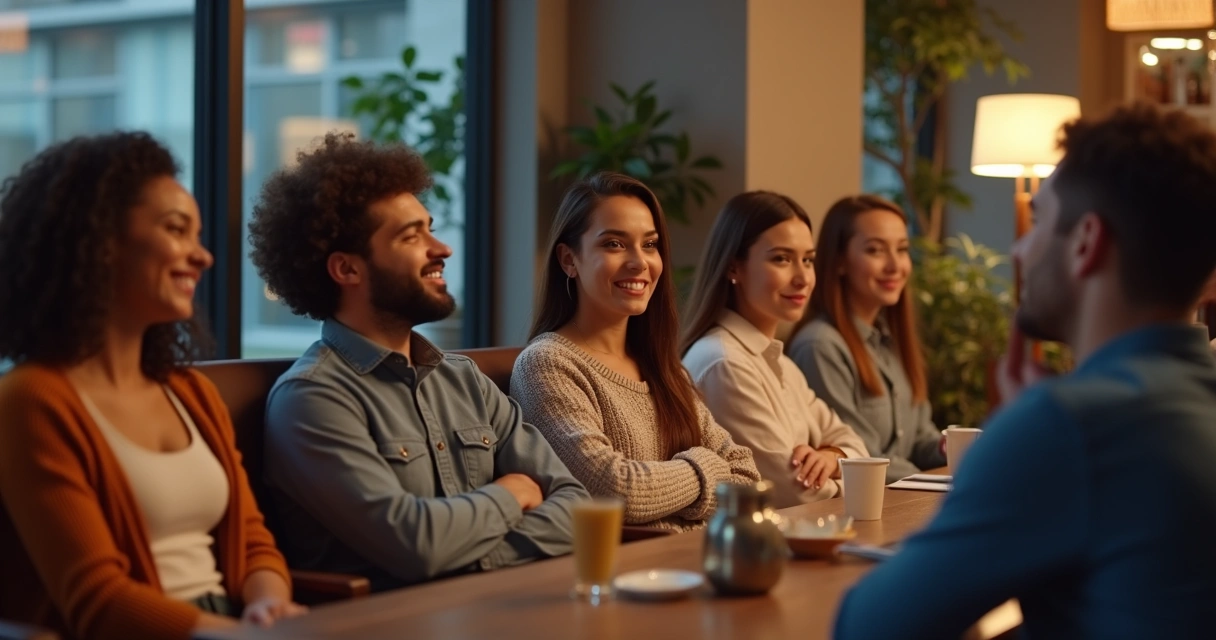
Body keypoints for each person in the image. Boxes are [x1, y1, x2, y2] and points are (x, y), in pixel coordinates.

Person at [834, 103, 1216, 639]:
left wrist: (1026, 435)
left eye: (1037, 221)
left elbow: (868, 626)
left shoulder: (1070, 427)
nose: (1019, 247)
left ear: (1086, 243)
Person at [249, 133, 586, 592]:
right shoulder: (311, 398)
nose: (441, 248)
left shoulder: (463, 380)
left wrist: (468, 557)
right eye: (412, 236)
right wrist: (511, 494)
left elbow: (575, 505)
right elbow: (416, 546)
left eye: (429, 227)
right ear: (347, 269)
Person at [0, 132, 305, 640]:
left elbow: (252, 541)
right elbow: (98, 600)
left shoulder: (190, 392)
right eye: (176, 230)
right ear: (98, 243)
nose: (202, 256)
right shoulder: (33, 400)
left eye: (198, 234)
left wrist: (269, 607)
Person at [511, 172, 759, 532]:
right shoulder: (548, 364)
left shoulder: (663, 369)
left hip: (694, 568)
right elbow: (613, 491)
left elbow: (747, 477)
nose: (640, 262)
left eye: (650, 244)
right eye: (614, 244)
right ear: (568, 260)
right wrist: (706, 467)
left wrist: (669, 488)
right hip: (623, 577)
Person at [680, 191, 867, 509]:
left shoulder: (779, 362)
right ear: (733, 268)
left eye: (807, 260)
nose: (803, 278)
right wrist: (854, 481)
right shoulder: (724, 362)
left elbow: (858, 446)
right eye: (781, 258)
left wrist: (831, 458)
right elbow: (790, 494)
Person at [786, 195, 944, 483]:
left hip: (904, 505)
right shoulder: (820, 346)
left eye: (903, 249)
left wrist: (951, 448)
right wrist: (938, 483)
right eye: (875, 250)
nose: (895, 265)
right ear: (840, 262)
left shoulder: (891, 341)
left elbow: (920, 439)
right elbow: (862, 457)